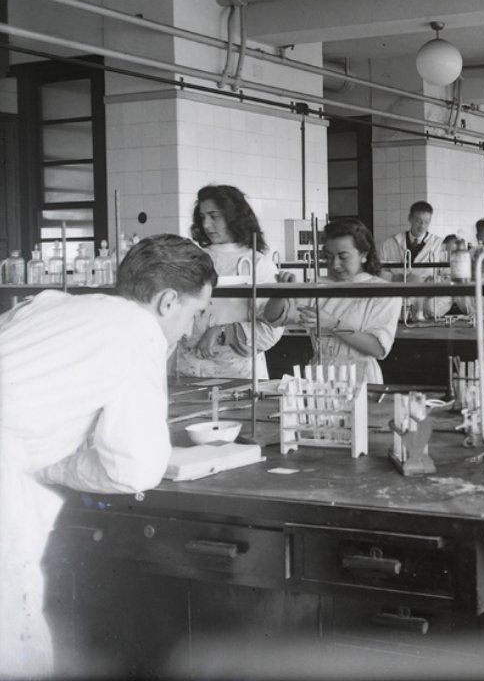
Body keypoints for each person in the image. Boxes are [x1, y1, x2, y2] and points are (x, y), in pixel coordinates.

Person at [0, 235, 216, 677]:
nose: (191, 330)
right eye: (195, 313)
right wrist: (53, 463)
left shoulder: (52, 302)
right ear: (168, 301)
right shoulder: (140, 333)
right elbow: (136, 469)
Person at [263, 218, 400, 387]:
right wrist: (281, 292)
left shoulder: (382, 291)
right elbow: (272, 317)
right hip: (319, 375)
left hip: (360, 379)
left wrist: (333, 324)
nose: (334, 265)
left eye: (343, 257)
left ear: (364, 254)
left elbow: (378, 349)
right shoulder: (317, 285)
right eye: (328, 256)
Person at [174, 184, 283, 381]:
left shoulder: (258, 264)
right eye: (203, 217)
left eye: (214, 216)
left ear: (234, 217)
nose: (206, 225)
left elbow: (270, 330)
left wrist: (224, 332)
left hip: (237, 375)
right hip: (188, 371)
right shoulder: (193, 258)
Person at [380, 201, 448, 320]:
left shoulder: (438, 244)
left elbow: (447, 275)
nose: (422, 226)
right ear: (410, 218)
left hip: (428, 304)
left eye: (426, 222)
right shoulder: (390, 243)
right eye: (418, 221)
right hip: (397, 301)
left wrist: (436, 281)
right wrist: (392, 278)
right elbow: (378, 271)